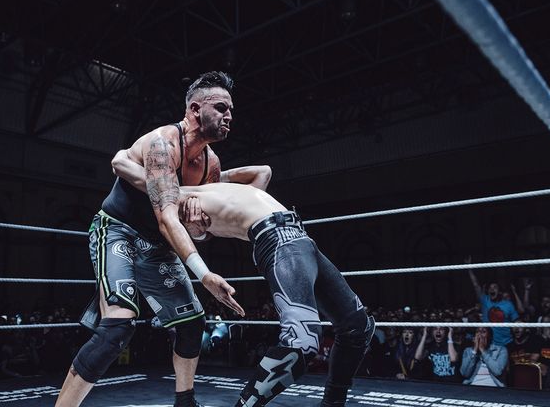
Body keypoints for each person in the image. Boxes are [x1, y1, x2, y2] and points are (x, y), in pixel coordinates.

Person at [56, 71, 257, 407]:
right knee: (116, 331)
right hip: (117, 230)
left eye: (231, 110)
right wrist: (203, 274)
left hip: (158, 246)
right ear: (195, 109)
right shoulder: (162, 144)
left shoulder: (211, 164)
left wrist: (198, 227)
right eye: (221, 108)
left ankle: (185, 402)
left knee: (193, 325)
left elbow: (193, 230)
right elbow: (166, 218)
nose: (229, 116)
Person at [116, 160, 375, 407]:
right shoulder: (178, 195)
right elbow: (124, 166)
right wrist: (193, 219)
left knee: (357, 327)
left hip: (302, 239)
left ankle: (333, 403)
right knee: (301, 343)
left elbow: (264, 172)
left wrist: (216, 177)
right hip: (277, 241)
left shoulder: (215, 187)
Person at [467, 267, 518, 347]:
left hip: (506, 343)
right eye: (490, 288)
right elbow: (475, 284)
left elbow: (516, 322)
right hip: (489, 343)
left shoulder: (508, 304)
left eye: (495, 287)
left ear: (499, 292)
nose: (492, 289)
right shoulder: (485, 300)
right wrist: (468, 267)